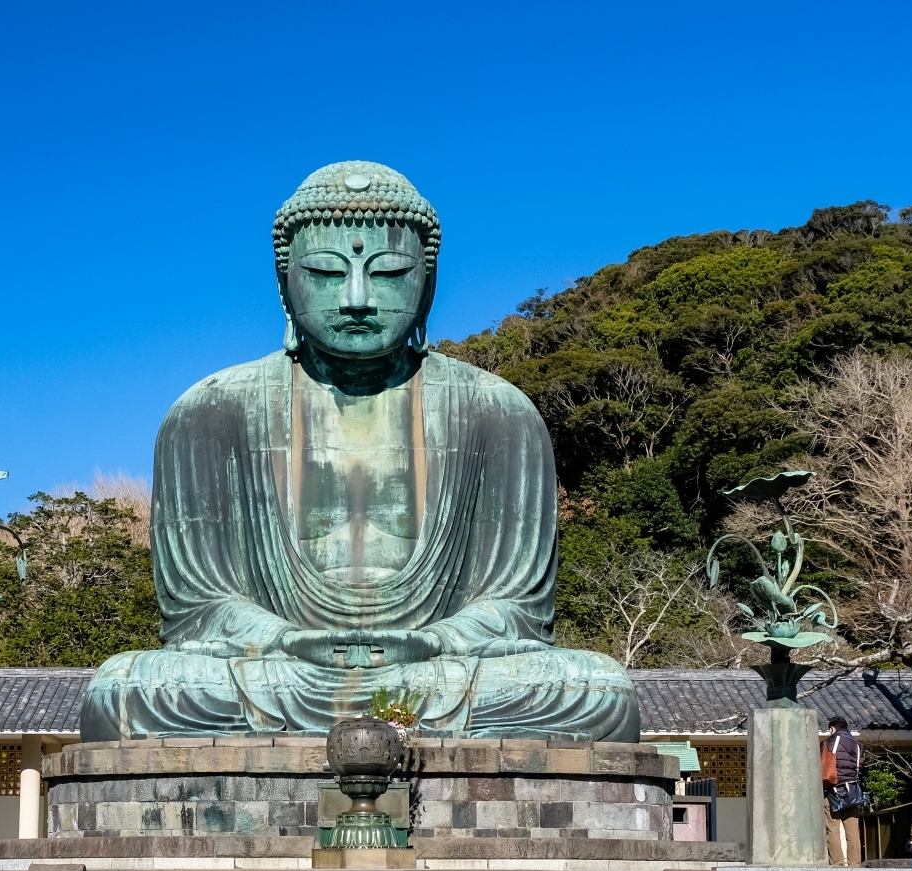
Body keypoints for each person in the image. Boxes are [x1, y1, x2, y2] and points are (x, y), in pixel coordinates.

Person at [78, 161, 638, 743]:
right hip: (279, 670)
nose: (357, 299)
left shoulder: (498, 412)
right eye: (325, 272)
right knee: (124, 690)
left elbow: (517, 608)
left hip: (438, 668)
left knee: (597, 689)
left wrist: (437, 640)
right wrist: (283, 639)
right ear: (284, 284)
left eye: (389, 272)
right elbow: (199, 609)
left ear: (428, 285)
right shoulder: (209, 412)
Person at [822, 716, 864, 867]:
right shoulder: (858, 745)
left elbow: (822, 764)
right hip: (852, 790)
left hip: (833, 790)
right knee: (852, 831)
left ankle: (837, 863)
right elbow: (860, 767)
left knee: (832, 829)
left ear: (832, 728)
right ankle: (855, 864)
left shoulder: (829, 743)